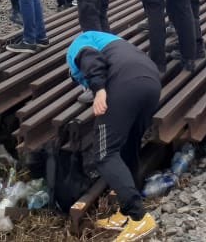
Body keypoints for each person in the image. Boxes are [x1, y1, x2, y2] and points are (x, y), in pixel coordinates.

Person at [67, 31, 159, 242]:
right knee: (128, 148)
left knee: (104, 153)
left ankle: (139, 218)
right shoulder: (113, 42)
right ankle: (126, 214)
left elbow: (90, 58)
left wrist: (99, 89)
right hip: (151, 82)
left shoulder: (78, 46)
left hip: (125, 85)